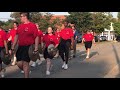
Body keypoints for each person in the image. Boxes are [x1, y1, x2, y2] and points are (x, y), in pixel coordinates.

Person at [11, 12, 39, 78]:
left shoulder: (32, 25)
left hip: (28, 47)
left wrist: (36, 48)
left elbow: (36, 37)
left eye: (21, 16)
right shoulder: (20, 26)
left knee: (25, 64)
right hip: (20, 47)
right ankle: (27, 70)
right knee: (19, 63)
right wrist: (13, 46)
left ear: (25, 17)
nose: (20, 18)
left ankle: (26, 74)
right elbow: (16, 36)